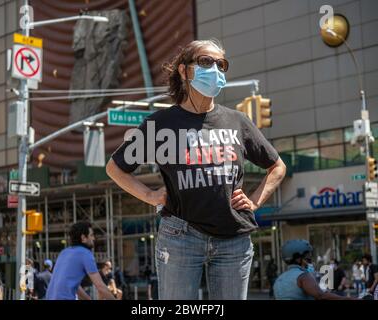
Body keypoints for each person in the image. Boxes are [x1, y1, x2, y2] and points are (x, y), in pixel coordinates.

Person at [106, 39, 286, 300]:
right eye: (205, 61)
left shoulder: (238, 121)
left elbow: (277, 167)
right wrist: (150, 196)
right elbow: (115, 168)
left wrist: (255, 201)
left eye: (220, 64)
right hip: (180, 237)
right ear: (183, 70)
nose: (214, 69)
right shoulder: (160, 123)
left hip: (233, 238)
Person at [46, 221, 115, 300]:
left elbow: (73, 285)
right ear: (83, 238)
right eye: (91, 235)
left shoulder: (64, 252)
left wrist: (88, 299)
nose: (93, 238)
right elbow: (100, 287)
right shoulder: (85, 254)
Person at [274, 240, 355, 300]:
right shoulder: (302, 276)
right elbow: (320, 296)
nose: (310, 262)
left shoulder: (279, 279)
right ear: (298, 259)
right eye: (307, 259)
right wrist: (348, 299)